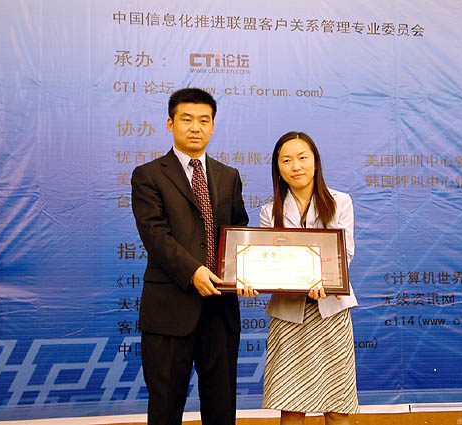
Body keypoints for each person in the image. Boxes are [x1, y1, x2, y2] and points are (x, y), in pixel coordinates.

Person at [131, 88, 249, 425]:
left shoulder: (228, 176)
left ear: (213, 126)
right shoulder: (148, 175)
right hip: (170, 310)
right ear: (170, 124)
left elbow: (238, 230)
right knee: (165, 408)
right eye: (187, 119)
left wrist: (244, 269)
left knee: (221, 408)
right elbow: (154, 235)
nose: (195, 127)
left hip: (220, 309)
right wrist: (193, 271)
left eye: (203, 120)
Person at [244, 131, 359, 425]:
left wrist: (325, 279)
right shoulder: (269, 212)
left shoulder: (341, 202)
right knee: (292, 406)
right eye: (286, 160)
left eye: (302, 158)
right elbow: (269, 263)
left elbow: (345, 253)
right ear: (278, 169)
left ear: (315, 162)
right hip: (289, 315)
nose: (296, 166)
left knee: (337, 406)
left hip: (331, 311)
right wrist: (251, 278)